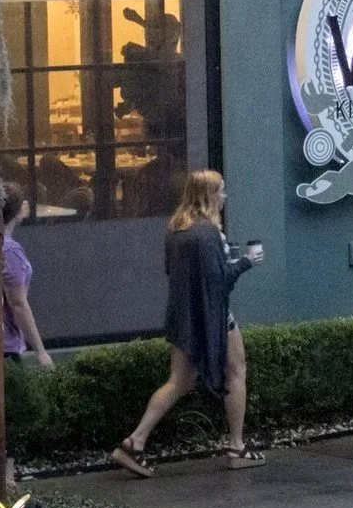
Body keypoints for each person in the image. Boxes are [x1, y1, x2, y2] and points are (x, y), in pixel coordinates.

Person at [111, 170, 263, 476]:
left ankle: (135, 442)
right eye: (221, 191)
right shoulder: (208, 234)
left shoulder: (177, 228)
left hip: (182, 316)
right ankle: (236, 446)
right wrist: (247, 262)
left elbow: (175, 271)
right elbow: (219, 283)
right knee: (236, 371)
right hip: (213, 317)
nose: (224, 197)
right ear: (208, 195)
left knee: (178, 381)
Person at [0, 188, 53, 370]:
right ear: (20, 209)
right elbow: (17, 303)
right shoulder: (9, 251)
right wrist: (41, 351)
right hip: (6, 346)